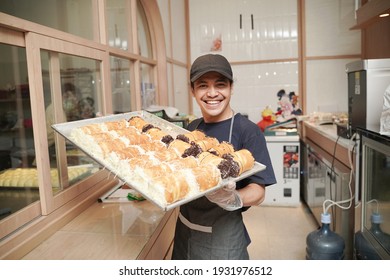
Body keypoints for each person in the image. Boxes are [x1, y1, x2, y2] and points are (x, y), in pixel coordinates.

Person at [171, 54, 276, 260]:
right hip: (185, 230)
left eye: (220, 85)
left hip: (224, 237)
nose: (212, 93)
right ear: (193, 90)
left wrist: (233, 198)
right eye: (203, 86)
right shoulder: (193, 128)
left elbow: (258, 191)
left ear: (231, 88)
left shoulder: (248, 131)